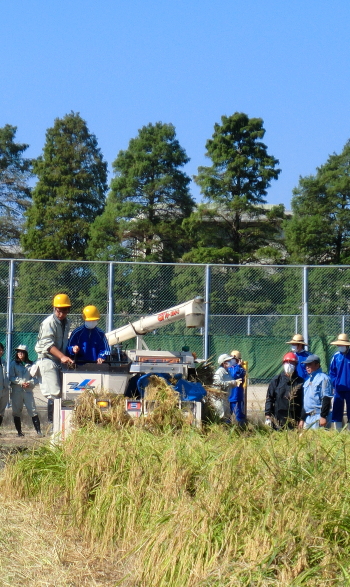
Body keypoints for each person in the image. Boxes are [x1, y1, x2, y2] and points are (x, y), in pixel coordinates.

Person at [35, 294, 74, 425]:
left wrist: (71, 350)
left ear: (68, 310)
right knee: (55, 393)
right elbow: (47, 345)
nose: (61, 313)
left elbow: (64, 343)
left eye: (64, 310)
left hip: (58, 359)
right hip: (47, 359)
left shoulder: (67, 323)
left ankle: (62, 423)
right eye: (58, 310)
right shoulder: (49, 323)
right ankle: (53, 425)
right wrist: (62, 356)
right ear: (54, 308)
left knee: (64, 393)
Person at [9, 345, 42, 437]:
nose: (20, 353)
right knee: (16, 411)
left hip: (27, 391)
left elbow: (36, 378)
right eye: (18, 352)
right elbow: (11, 377)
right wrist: (21, 382)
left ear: (26, 353)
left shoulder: (32, 365)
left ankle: (39, 431)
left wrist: (30, 383)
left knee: (32, 410)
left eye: (22, 352)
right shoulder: (13, 364)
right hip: (17, 390)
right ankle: (19, 432)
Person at [265, 352, 304, 429]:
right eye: (287, 362)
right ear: (283, 364)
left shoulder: (300, 382)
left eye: (292, 362)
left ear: (296, 364)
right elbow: (269, 398)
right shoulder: (276, 380)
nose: (289, 365)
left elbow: (304, 403)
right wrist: (268, 416)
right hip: (278, 419)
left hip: (294, 419)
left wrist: (302, 420)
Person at [298, 355, 333, 430]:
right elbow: (306, 402)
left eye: (310, 364)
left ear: (317, 365)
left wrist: (323, 416)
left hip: (319, 416)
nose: (307, 367)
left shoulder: (324, 378)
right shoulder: (307, 381)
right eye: (306, 364)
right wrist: (302, 419)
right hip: (308, 418)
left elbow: (326, 398)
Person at [329, 333, 350, 431]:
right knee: (337, 410)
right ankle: (337, 432)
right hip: (338, 389)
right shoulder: (336, 356)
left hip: (349, 389)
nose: (339, 346)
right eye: (338, 345)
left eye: (341, 345)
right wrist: (335, 383)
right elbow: (332, 372)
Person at [213, 354, 242, 421]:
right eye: (228, 360)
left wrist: (235, 382)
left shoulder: (227, 371)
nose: (231, 361)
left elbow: (230, 382)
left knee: (227, 417)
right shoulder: (220, 372)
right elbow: (216, 383)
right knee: (220, 417)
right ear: (224, 363)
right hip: (220, 399)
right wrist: (232, 382)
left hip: (226, 398)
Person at [227, 350, 246, 424]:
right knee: (227, 414)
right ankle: (227, 427)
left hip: (236, 396)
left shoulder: (239, 369)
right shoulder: (229, 368)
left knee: (238, 414)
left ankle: (241, 428)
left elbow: (234, 375)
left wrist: (238, 365)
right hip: (230, 396)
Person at [0, 342, 9, 434]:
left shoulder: (4, 362)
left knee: (1, 411)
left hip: (4, 389)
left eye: (2, 350)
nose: (1, 351)